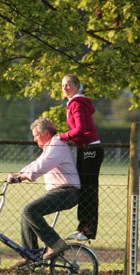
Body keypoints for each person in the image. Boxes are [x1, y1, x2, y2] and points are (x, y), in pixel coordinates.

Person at [7, 117, 81, 267]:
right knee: (26, 213)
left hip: (67, 192)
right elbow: (36, 163)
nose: (34, 139)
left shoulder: (57, 144)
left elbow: (42, 166)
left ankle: (56, 243)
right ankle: (31, 256)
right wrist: (18, 173)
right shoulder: (51, 146)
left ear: (46, 133)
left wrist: (22, 178)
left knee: (30, 210)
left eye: (36, 135)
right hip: (61, 191)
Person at [58, 74, 104, 241]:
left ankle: (88, 231)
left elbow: (80, 129)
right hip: (84, 150)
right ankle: (82, 228)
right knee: (84, 189)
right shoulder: (73, 103)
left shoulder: (77, 103)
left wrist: (61, 137)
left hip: (91, 150)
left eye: (68, 84)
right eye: (63, 85)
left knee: (89, 190)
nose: (64, 88)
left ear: (77, 86)